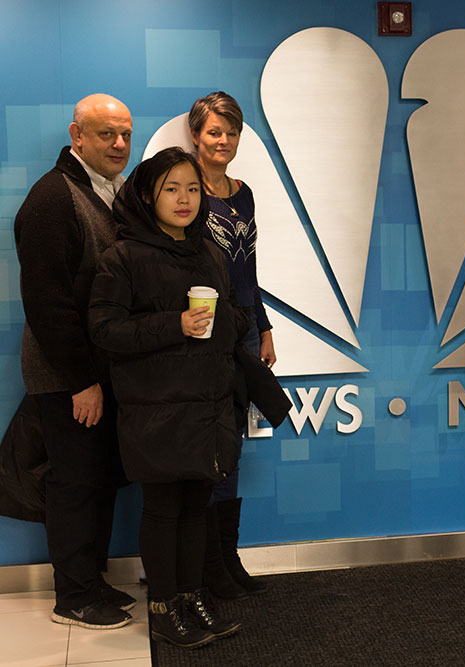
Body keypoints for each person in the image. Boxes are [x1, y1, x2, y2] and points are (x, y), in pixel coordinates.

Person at [89, 147, 245, 648]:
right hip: (155, 407)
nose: (184, 199)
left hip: (207, 405)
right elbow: (105, 329)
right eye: (171, 189)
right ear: (147, 195)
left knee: (197, 505)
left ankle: (193, 595)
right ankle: (163, 606)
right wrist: (172, 324)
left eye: (193, 188)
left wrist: (226, 323)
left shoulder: (212, 254)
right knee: (162, 509)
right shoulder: (123, 256)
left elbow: (236, 318)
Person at [14, 93, 136, 629]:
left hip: (102, 375)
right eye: (106, 134)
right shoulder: (51, 200)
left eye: (126, 134)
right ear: (77, 135)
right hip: (68, 377)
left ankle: (94, 581)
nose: (119, 144)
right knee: (73, 481)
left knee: (100, 477)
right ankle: (73, 596)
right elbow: (48, 304)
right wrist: (81, 381)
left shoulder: (112, 194)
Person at [188, 91, 273, 597]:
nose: (223, 140)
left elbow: (249, 270)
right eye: (214, 131)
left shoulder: (243, 193)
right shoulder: (184, 190)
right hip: (203, 336)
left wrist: (263, 328)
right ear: (196, 135)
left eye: (231, 132)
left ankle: (227, 557)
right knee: (207, 446)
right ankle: (205, 565)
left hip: (242, 331)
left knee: (233, 447)